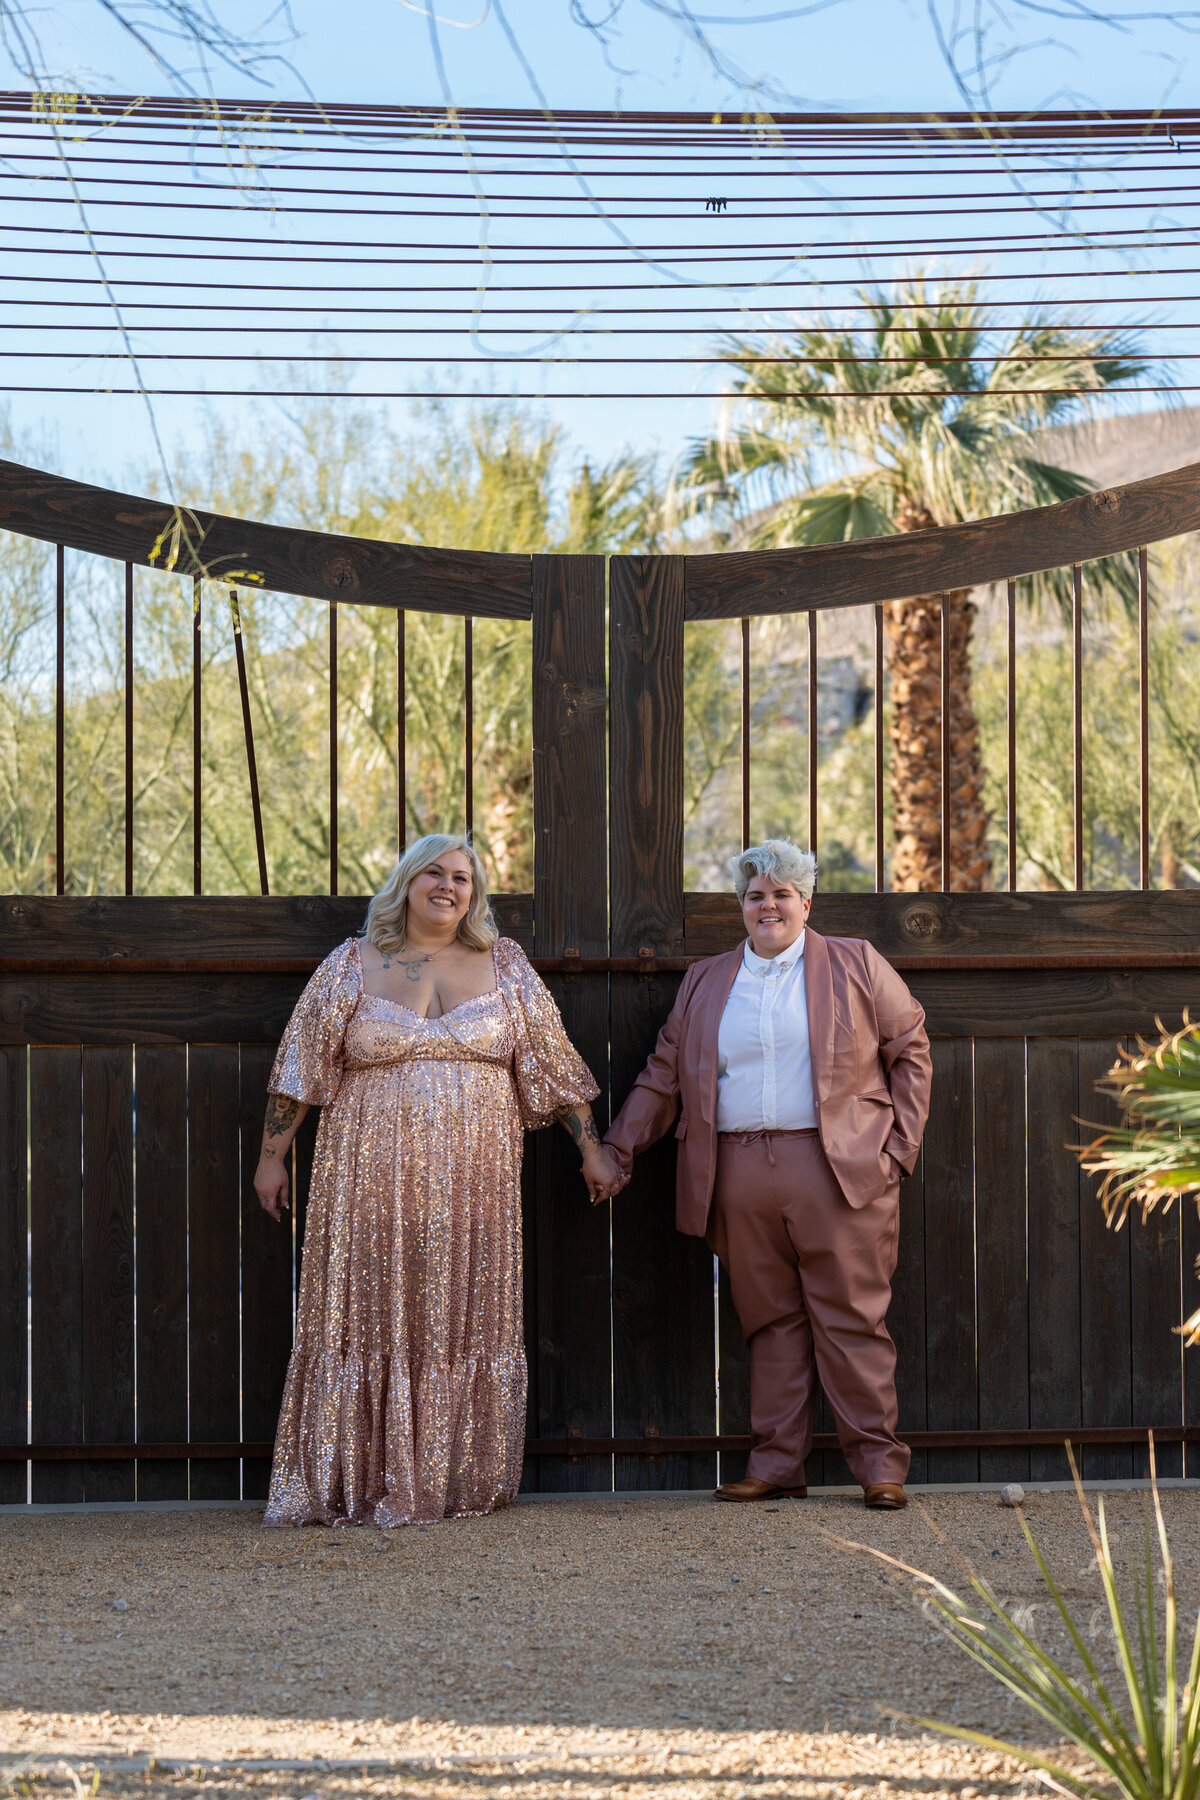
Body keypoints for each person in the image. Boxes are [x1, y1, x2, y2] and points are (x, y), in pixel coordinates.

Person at [255, 833, 621, 1528]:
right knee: (368, 1311)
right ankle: (355, 1475)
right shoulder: (350, 963)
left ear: (475, 893)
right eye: (435, 872)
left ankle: (453, 1476)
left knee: (461, 1315)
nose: (449, 885)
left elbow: (553, 1064)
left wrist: (591, 1150)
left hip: (474, 1184)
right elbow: (301, 1067)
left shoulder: (505, 965)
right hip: (365, 1178)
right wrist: (272, 1156)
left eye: (463, 876)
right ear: (406, 882)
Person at [601, 839, 931, 1509]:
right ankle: (777, 1464)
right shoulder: (707, 980)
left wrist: (898, 1151)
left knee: (852, 1318)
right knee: (769, 1322)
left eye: (782, 894)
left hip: (838, 1168)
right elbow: (664, 1077)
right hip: (737, 1169)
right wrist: (618, 1148)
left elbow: (911, 1049)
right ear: (741, 907)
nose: (768, 904)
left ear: (806, 903)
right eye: (756, 895)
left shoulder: (856, 963)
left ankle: (879, 1468)